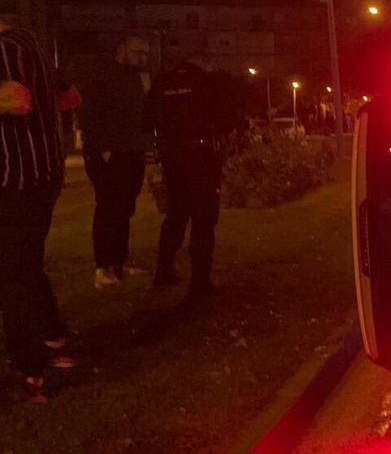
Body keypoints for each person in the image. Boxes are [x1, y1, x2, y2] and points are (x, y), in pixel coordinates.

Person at [0, 22, 82, 400]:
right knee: (21, 268)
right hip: (39, 176)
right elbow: (71, 96)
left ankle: (39, 364)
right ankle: (43, 348)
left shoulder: (6, 48)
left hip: (16, 180)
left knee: (15, 274)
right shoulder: (29, 41)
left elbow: (17, 99)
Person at [148, 52, 238, 298]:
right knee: (204, 217)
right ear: (205, 62)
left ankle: (164, 270)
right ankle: (200, 280)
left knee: (176, 213)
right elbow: (225, 119)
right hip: (201, 157)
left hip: (171, 156)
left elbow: (148, 118)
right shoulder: (207, 82)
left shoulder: (161, 82)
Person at [81, 35, 152, 289]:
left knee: (125, 209)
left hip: (132, 152)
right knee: (108, 208)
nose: (142, 58)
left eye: (146, 53)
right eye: (138, 52)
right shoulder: (101, 75)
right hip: (110, 155)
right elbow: (89, 115)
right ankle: (102, 267)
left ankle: (118, 263)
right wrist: (104, 150)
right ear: (121, 49)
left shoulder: (137, 78)